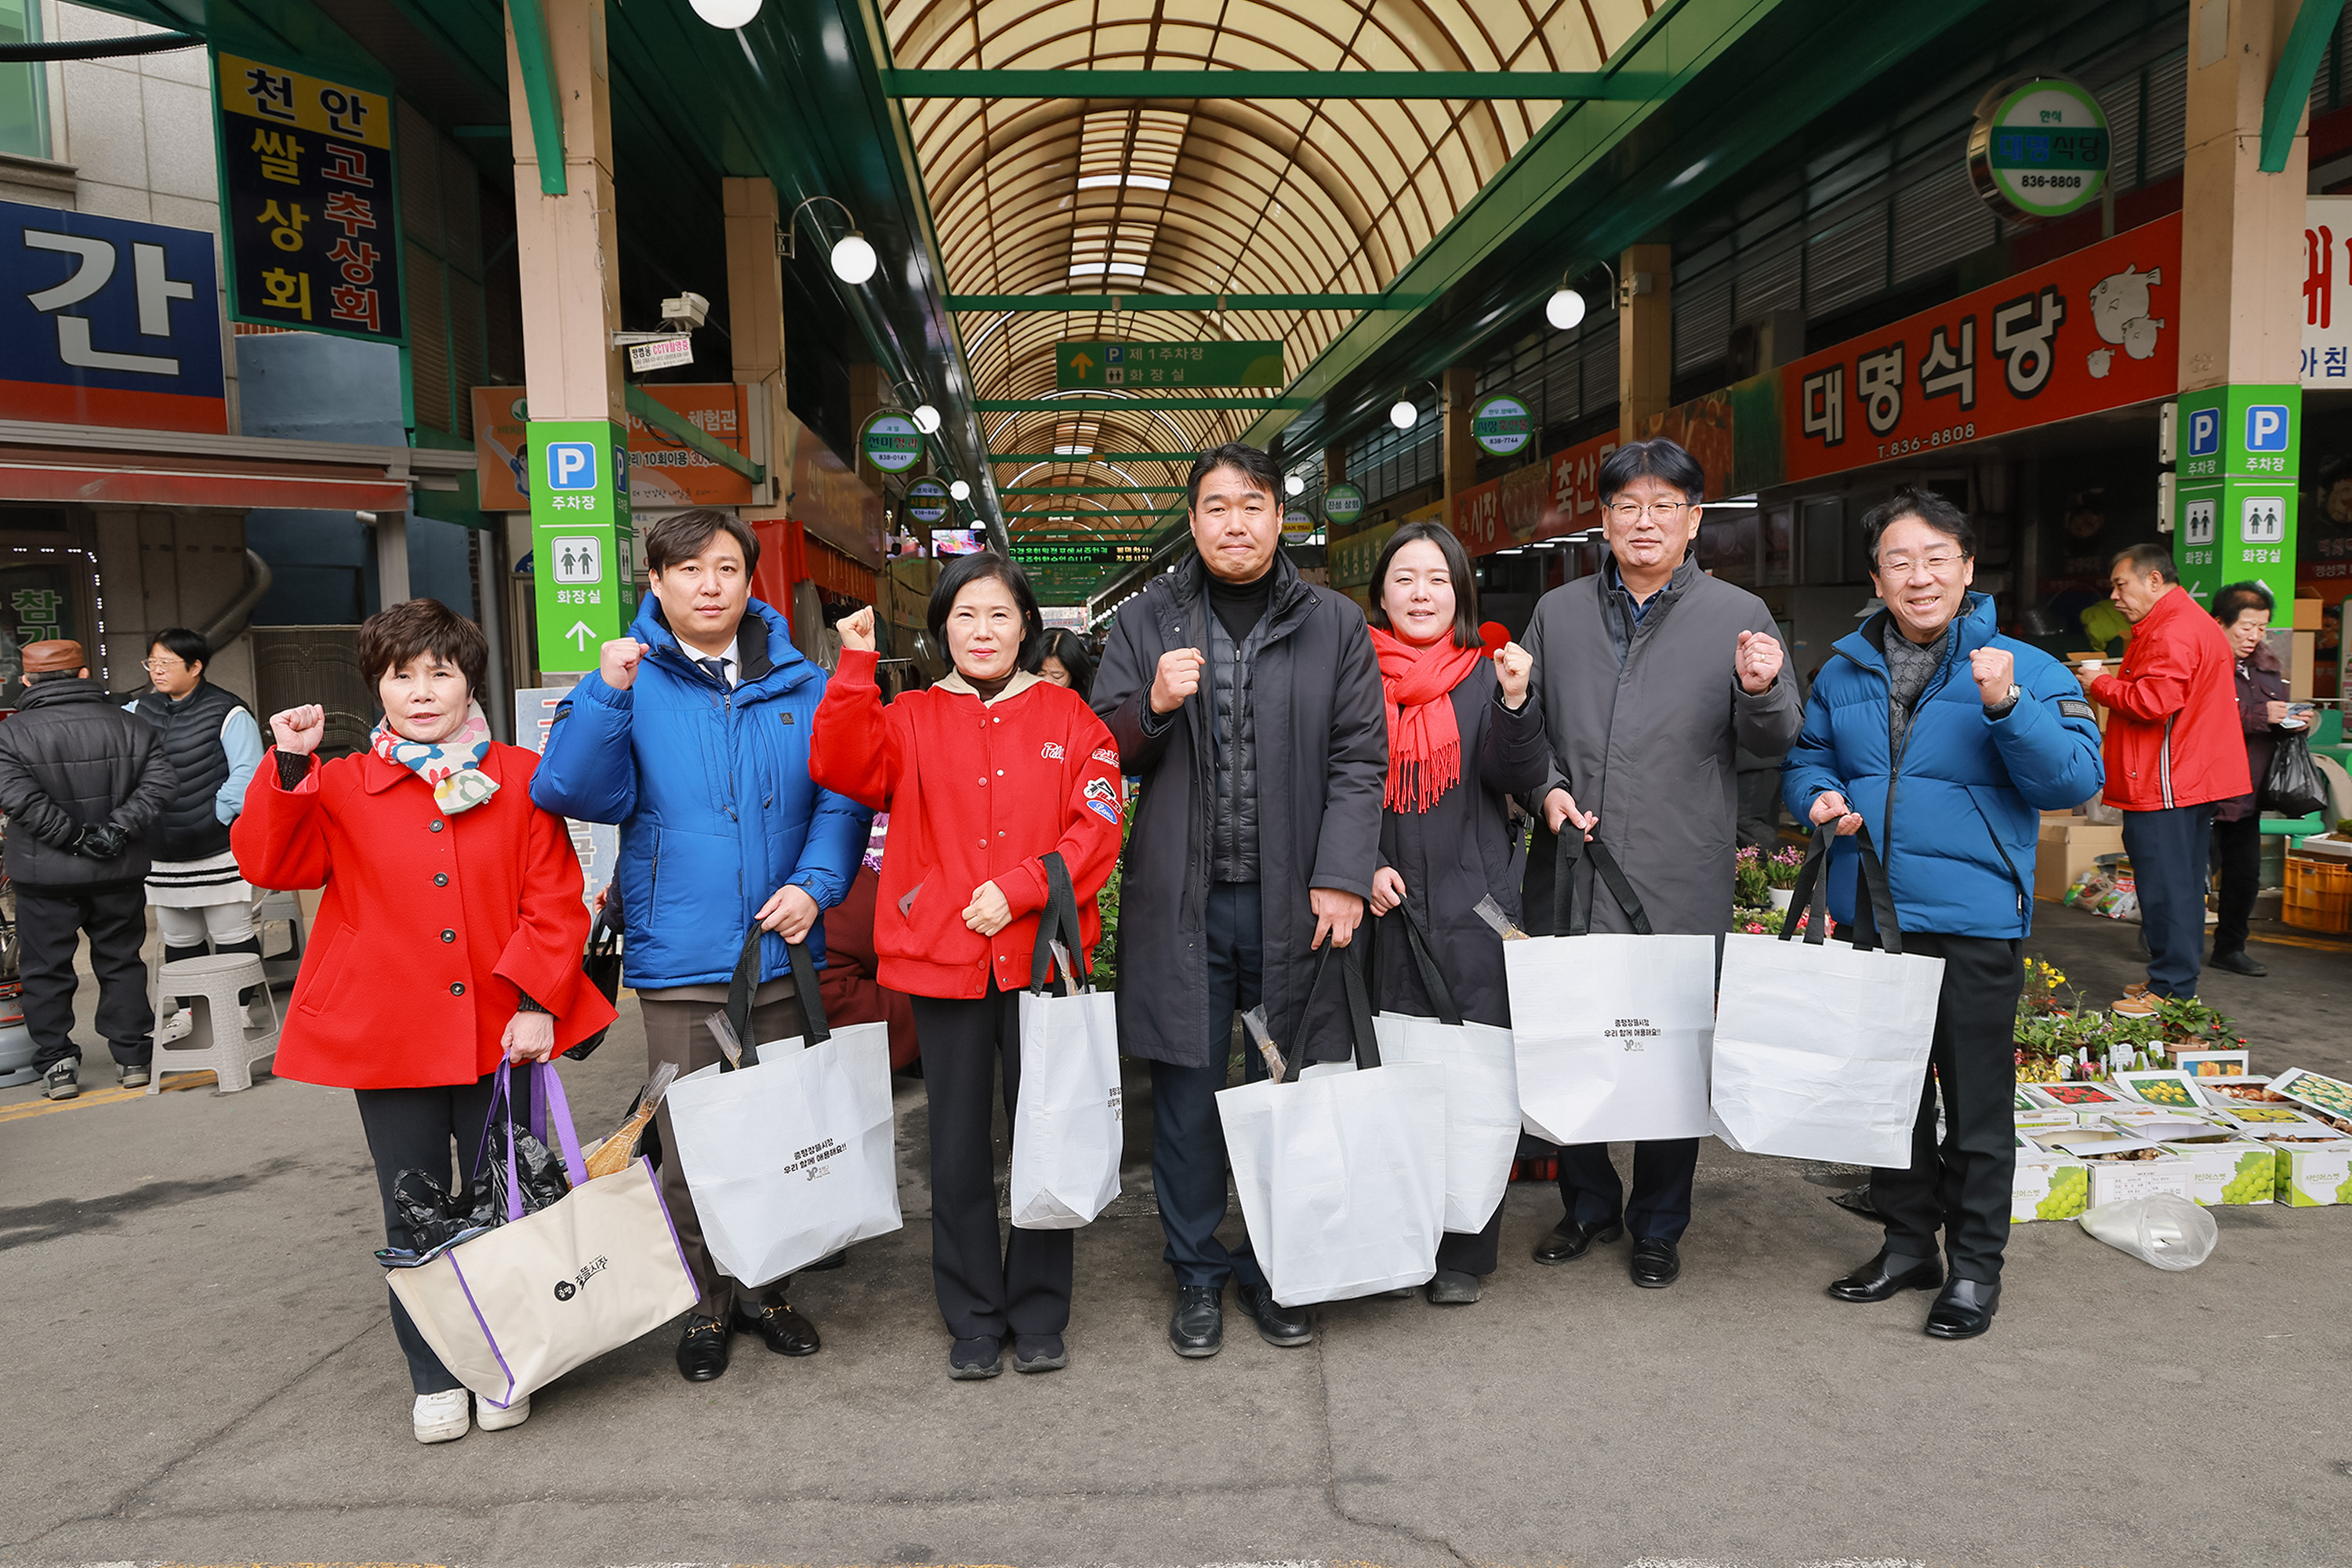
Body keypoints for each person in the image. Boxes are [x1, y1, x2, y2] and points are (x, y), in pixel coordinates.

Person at [232, 598, 615, 1442]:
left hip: (501, 1030)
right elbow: (271, 862)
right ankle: (435, 1371)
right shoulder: (340, 781)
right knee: (412, 1205)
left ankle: (508, 1360)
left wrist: (536, 1003)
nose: (421, 691)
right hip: (388, 1032)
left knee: (507, 1202)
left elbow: (554, 900)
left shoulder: (520, 774)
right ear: (377, 686)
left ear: (468, 680)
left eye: (440, 672)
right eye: (400, 675)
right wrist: (289, 764)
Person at [530, 506, 869, 1383]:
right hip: (680, 958)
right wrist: (605, 694)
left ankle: (768, 1291)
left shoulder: (802, 682)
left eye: (726, 569)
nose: (709, 585)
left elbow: (843, 797)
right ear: (656, 581)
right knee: (688, 1144)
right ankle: (706, 1303)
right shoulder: (629, 679)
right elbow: (570, 789)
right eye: (688, 570)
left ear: (751, 580)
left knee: (780, 1130)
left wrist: (815, 886)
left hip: (780, 948)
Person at [1781, 489, 2103, 1341]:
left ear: (1966, 569)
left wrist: (2007, 707)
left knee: (1976, 1105)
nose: (1918, 577)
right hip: (1873, 913)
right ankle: (1906, 1245)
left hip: (1972, 918)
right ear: (1877, 578)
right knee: (1888, 1096)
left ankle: (1975, 1269)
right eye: (1899, 560)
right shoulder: (1844, 671)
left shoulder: (2029, 669)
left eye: (1935, 559)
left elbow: (2074, 780)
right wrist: (1817, 797)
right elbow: (1808, 758)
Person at [1094, 441, 1387, 1359]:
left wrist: (1342, 874)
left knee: (1282, 1082)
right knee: (1186, 1088)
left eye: (1251, 505)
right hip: (1184, 902)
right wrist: (1152, 703)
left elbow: (1359, 756)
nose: (1234, 523)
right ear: (1192, 521)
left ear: (1279, 517)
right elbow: (1101, 747)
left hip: (1294, 901)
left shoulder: (1334, 623)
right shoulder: (1147, 619)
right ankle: (1196, 1269)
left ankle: (1275, 1265)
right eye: (1216, 507)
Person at [811, 555, 1123, 1380]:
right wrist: (853, 667)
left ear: (1027, 627)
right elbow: (843, 767)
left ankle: (1040, 1308)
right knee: (954, 1147)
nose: (982, 632)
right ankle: (974, 1314)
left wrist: (1021, 891)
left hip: (1040, 957)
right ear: (941, 628)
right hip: (940, 958)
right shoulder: (908, 715)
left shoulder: (1071, 717)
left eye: (999, 615)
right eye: (965, 616)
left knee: (1044, 1129)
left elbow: (1098, 828)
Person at [1519, 437, 1799, 1288]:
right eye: (1628, 506)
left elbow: (1774, 743)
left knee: (1673, 1047)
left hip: (1680, 866)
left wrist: (1761, 689)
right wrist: (1546, 790)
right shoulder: (1558, 612)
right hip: (1575, 859)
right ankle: (1587, 1202)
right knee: (1574, 1034)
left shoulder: (1738, 613)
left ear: (1695, 520)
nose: (1646, 522)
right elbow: (1524, 728)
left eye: (1665, 506)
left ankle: (1660, 1220)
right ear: (1603, 520)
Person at [1359, 521, 1544, 1304]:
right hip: (1383, 906)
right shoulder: (1354, 676)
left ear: (1461, 591)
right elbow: (1333, 785)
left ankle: (1466, 1248)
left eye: (1438, 579)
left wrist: (1516, 701)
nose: (1422, 593)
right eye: (1405, 578)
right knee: (1392, 1074)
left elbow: (1519, 773)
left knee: (1474, 1078)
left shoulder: (1487, 675)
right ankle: (1399, 1236)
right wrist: (1356, 863)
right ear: (1381, 593)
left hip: (1476, 907)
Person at [2078, 545, 2249, 1014]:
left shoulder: (2171, 629)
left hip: (2166, 778)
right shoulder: (2188, 621)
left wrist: (2099, 684)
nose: (2115, 596)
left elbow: (2153, 702)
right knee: (2183, 884)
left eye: (2121, 585)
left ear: (2154, 580)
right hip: (2185, 776)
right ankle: (2173, 981)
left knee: (2166, 886)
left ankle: (2171, 988)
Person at [0, 639, 176, 1098]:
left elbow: (18, 799)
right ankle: (133, 1056)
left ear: (26, 681)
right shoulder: (131, 724)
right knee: (121, 960)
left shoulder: (10, 734)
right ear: (83, 675)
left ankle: (58, 1064)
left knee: (45, 968)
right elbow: (160, 784)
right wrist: (116, 830)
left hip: (44, 876)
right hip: (117, 869)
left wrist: (72, 838)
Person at [128, 628, 266, 1026]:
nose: (157, 671)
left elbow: (248, 774)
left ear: (195, 667)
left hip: (216, 846)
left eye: (166, 663)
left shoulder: (228, 712)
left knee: (231, 933)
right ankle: (192, 1013)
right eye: (152, 663)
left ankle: (238, 1012)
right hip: (160, 849)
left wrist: (215, 815)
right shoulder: (137, 711)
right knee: (179, 937)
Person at [2209, 582, 2292, 979]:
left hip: (2248, 789)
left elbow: (2273, 716)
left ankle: (2230, 949)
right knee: (2190, 877)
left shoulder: (2268, 668)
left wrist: (2294, 720)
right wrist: (2261, 717)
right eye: (2246, 626)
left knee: (2244, 877)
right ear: (2220, 623)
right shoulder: (2205, 663)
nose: (2254, 636)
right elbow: (2200, 718)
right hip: (2205, 789)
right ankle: (2167, 943)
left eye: (2261, 627)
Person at [1026, 627, 1096, 702]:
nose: (1047, 682)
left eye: (1056, 676)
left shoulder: (1088, 704)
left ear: (1074, 675)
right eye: (1041, 674)